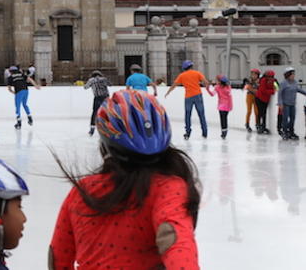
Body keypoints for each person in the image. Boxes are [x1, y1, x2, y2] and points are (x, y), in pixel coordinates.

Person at [49, 90, 201, 269]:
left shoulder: (82, 191)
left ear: (105, 145)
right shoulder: (169, 188)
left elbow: (58, 257)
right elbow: (179, 247)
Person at [164, 60, 209, 140]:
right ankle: (205, 132)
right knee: (201, 114)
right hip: (198, 95)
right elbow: (205, 82)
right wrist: (207, 88)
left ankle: (188, 133)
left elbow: (174, 85)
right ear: (191, 66)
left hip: (188, 97)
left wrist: (168, 92)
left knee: (188, 115)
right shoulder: (197, 73)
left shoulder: (182, 75)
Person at [278, 67, 306, 140]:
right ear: (287, 75)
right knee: (285, 119)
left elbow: (298, 89)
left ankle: (291, 132)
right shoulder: (283, 83)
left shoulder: (295, 82)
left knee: (292, 119)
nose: (293, 76)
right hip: (285, 104)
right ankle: (284, 132)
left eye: (294, 74)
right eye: (292, 74)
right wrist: (280, 103)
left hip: (292, 104)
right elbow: (280, 94)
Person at [83, 71, 110, 136]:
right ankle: (108, 127)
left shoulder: (91, 80)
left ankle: (92, 129)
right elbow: (110, 84)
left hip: (97, 98)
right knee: (107, 112)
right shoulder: (104, 79)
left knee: (95, 112)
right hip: (106, 97)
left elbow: (85, 87)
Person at [253, 70, 276, 134]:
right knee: (260, 113)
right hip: (259, 98)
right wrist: (271, 91)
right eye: (270, 77)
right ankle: (258, 125)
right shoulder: (263, 80)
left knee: (264, 113)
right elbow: (263, 90)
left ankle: (263, 126)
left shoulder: (273, 81)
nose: (271, 78)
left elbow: (275, 88)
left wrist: (272, 90)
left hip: (265, 99)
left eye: (272, 77)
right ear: (267, 76)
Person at [212, 75, 233, 140]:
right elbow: (212, 94)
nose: (216, 81)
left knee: (224, 118)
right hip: (221, 105)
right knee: (222, 118)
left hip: (227, 105)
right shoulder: (217, 87)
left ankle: (224, 131)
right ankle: (223, 131)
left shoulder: (228, 87)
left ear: (220, 81)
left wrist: (230, 106)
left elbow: (229, 95)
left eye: (217, 80)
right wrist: (207, 89)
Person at [242, 68, 261, 132]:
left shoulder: (259, 81)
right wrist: (254, 90)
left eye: (255, 74)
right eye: (252, 74)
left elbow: (259, 89)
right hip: (249, 96)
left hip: (256, 97)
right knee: (249, 111)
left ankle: (257, 124)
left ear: (257, 75)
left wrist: (255, 90)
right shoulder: (249, 80)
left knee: (256, 111)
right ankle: (247, 124)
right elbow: (248, 88)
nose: (253, 76)